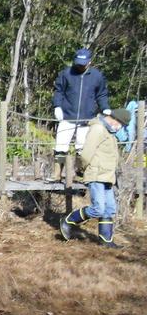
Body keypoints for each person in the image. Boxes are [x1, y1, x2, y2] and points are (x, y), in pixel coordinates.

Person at [59, 108, 131, 249]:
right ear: (115, 120)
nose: (121, 128)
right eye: (121, 124)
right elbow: (86, 154)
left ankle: (106, 241)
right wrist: (85, 169)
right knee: (98, 208)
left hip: (107, 176)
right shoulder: (98, 129)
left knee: (109, 209)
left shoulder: (109, 132)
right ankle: (68, 220)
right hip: (97, 174)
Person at [51, 48, 110, 180]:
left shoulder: (97, 76)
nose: (80, 66)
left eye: (83, 63)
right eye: (78, 63)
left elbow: (101, 94)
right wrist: (57, 106)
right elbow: (58, 91)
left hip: (86, 118)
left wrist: (105, 108)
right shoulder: (66, 74)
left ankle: (80, 174)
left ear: (90, 62)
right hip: (67, 115)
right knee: (61, 145)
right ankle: (57, 174)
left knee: (82, 148)